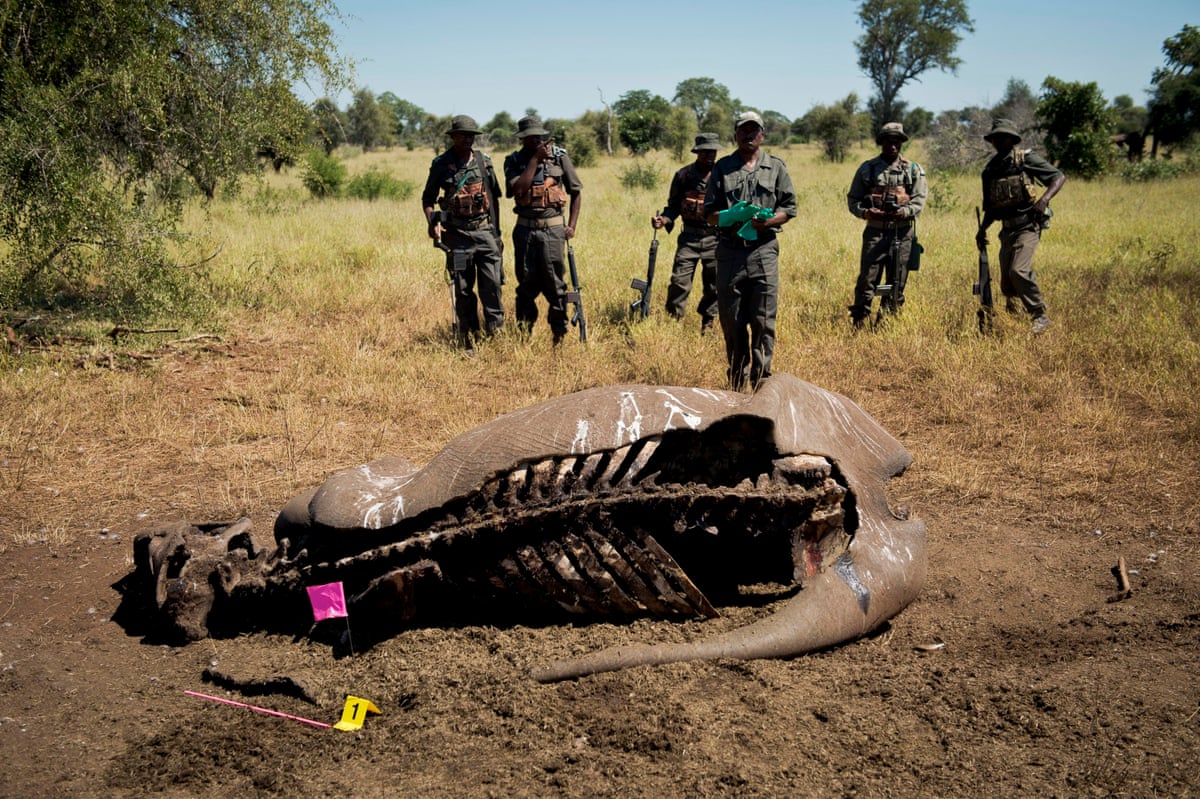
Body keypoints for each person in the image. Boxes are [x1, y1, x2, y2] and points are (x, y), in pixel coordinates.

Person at [703, 111, 796, 391]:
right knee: (732, 321)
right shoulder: (723, 168)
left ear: (762, 134)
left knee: (763, 319)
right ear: (736, 134)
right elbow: (709, 214)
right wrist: (729, 216)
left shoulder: (776, 167)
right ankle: (736, 380)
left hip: (763, 251)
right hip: (730, 251)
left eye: (754, 130)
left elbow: (789, 209)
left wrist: (768, 221)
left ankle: (762, 382)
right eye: (744, 130)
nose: (749, 135)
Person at [975, 118, 1066, 335]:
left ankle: (1039, 315)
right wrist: (982, 229)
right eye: (996, 138)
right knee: (1007, 284)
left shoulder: (1025, 159)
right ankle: (1015, 322)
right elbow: (991, 207)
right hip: (1006, 230)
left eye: (1004, 137)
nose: (1000, 141)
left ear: (1012, 139)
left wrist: (1043, 200)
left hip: (1028, 226)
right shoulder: (990, 170)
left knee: (1019, 270)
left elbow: (1058, 177)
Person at [421, 115, 504, 346]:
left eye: (472, 135)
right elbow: (428, 199)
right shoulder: (441, 164)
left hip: (485, 232)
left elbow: (494, 200)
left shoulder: (484, 162)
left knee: (492, 286)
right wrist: (433, 222)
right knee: (464, 290)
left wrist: (497, 234)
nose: (468, 139)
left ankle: (496, 337)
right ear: (454, 137)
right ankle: (469, 338)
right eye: (463, 135)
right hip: (457, 236)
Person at [503, 115, 583, 344]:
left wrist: (572, 226)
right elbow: (516, 190)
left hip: (553, 231)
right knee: (526, 283)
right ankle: (523, 335)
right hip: (525, 231)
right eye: (530, 137)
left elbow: (576, 191)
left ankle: (559, 334)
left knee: (556, 284)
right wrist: (534, 161)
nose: (535, 140)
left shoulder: (559, 158)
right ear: (522, 139)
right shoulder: (514, 160)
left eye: (538, 136)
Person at [846, 122, 927, 325]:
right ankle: (859, 321)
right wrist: (866, 212)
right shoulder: (868, 169)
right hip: (875, 232)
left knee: (897, 280)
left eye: (897, 142)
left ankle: (886, 323)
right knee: (867, 280)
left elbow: (919, 200)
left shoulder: (913, 170)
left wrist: (904, 211)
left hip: (903, 233)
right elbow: (853, 199)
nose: (893, 146)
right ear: (881, 143)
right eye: (888, 142)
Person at [653, 132, 721, 333]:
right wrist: (663, 220)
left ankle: (708, 323)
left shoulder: (723, 176)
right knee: (679, 283)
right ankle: (673, 323)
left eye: (713, 151)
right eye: (706, 151)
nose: (710, 155)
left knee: (715, 285)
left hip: (715, 239)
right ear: (697, 152)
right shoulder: (683, 175)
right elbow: (673, 206)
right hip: (689, 239)